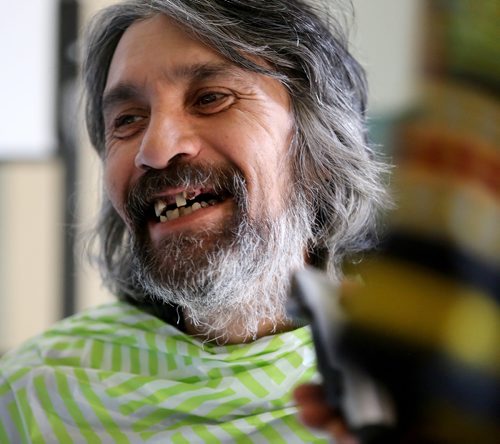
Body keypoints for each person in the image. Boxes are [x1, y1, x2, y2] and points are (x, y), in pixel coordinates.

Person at [0, 0, 387, 441]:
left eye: (211, 99)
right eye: (127, 120)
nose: (156, 150)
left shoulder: (416, 394)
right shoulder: (34, 394)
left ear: (320, 147)